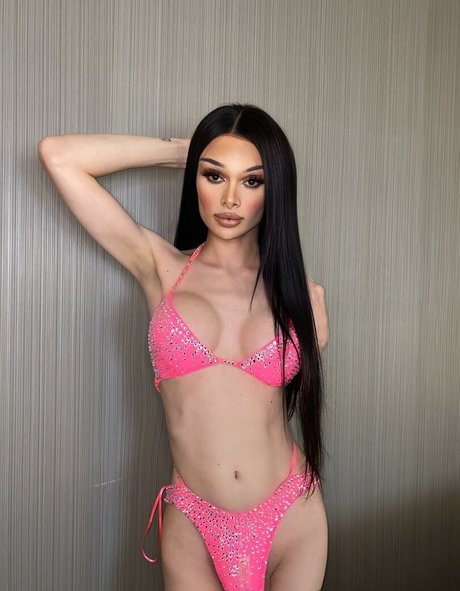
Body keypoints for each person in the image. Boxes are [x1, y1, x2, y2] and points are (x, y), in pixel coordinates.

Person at [39, 103, 329, 591]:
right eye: (214, 175)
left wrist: (312, 341)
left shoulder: (299, 295)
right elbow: (59, 155)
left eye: (252, 181)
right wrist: (182, 152)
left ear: (274, 189)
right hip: (194, 523)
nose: (230, 198)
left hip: (291, 516)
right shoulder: (161, 268)